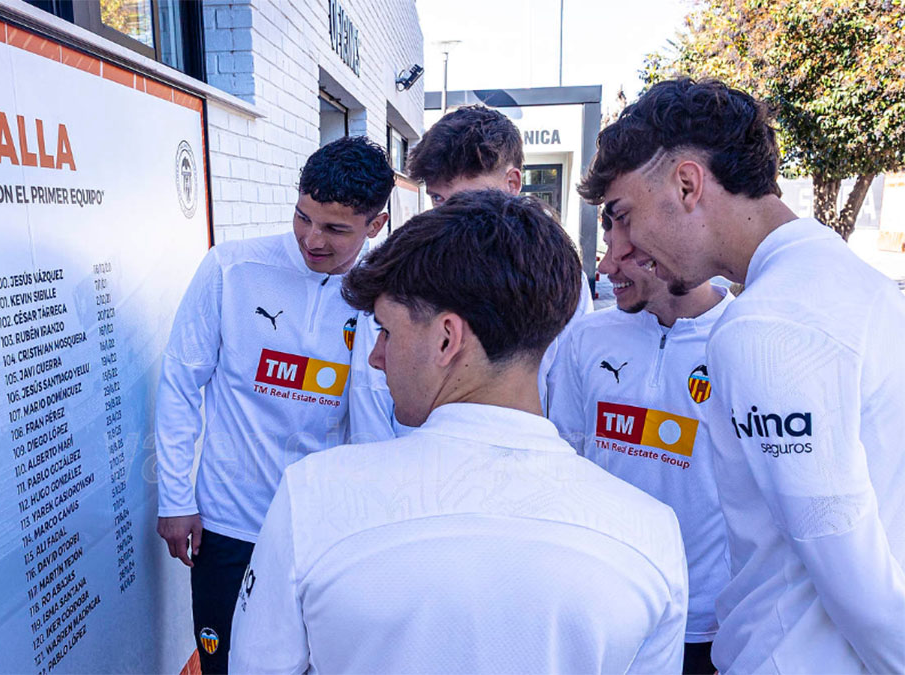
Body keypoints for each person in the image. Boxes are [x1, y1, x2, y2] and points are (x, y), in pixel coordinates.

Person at [229, 190, 688, 673]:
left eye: (386, 330)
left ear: (447, 338)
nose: (375, 356)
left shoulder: (313, 497)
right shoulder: (650, 533)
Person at [578, 77, 905, 673]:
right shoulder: (850, 286)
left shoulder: (769, 327)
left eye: (624, 216)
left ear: (686, 184)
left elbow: (849, 566)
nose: (623, 249)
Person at [155, 136, 396, 673]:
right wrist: (174, 499)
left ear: (375, 225)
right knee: (224, 665)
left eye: (335, 229)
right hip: (229, 523)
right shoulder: (231, 269)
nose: (312, 239)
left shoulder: (388, 292)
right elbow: (180, 382)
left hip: (326, 529)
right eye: (303, 217)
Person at [548, 213, 733, 674]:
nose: (607, 267)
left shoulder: (742, 338)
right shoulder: (588, 337)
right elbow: (565, 466)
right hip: (605, 605)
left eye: (625, 255)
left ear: (675, 247)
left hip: (707, 621)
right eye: (607, 249)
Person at [406, 104, 593, 407]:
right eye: (438, 199)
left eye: (467, 199)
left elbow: (568, 390)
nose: (452, 217)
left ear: (512, 184)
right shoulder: (415, 269)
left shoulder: (557, 276)